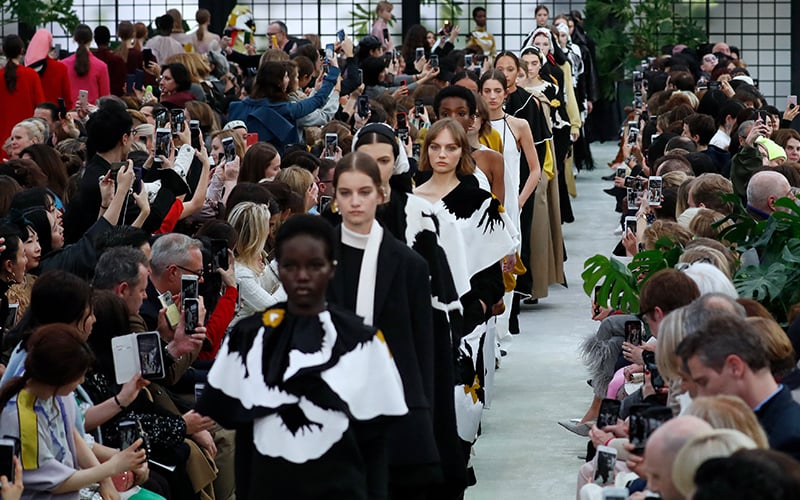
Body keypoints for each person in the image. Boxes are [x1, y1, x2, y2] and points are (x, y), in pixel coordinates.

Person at [196, 214, 407, 499]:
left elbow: (381, 435)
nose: (303, 276)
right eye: (291, 266)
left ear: (332, 268)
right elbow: (222, 412)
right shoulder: (247, 338)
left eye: (314, 265)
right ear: (278, 270)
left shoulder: (364, 341)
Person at [327, 152, 441, 497]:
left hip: (395, 410)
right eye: (345, 193)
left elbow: (423, 351)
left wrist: (423, 419)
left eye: (364, 192)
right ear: (335, 198)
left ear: (381, 193)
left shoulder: (410, 265)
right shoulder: (315, 259)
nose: (355, 202)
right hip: (328, 409)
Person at [0, 323, 147, 499]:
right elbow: (57, 483)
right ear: (60, 376)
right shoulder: (21, 418)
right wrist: (112, 466)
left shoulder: (55, 395)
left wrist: (108, 475)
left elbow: (74, 436)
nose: (82, 381)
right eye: (79, 376)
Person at [677, 312, 800, 460]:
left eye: (704, 382)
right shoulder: (768, 423)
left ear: (735, 367)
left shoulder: (789, 439)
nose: (700, 396)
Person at [227, 60, 339, 153]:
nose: (288, 80)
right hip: (277, 165)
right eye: (285, 76)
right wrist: (333, 72)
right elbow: (317, 101)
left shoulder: (236, 107)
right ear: (278, 82)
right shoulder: (285, 109)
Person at [0, 35, 45, 162]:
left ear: (3, 51)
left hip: (2, 138)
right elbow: (41, 107)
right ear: (22, 50)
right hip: (26, 138)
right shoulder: (31, 75)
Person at [62, 24, 110, 105]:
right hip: (93, 111)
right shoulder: (101, 66)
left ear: (75, 39)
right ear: (92, 38)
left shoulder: (63, 65)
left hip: (69, 111)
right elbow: (105, 98)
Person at [92, 26, 127, 97]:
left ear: (95, 39)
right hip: (115, 99)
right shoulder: (118, 60)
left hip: (94, 98)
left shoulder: (91, 60)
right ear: (109, 39)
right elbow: (121, 85)